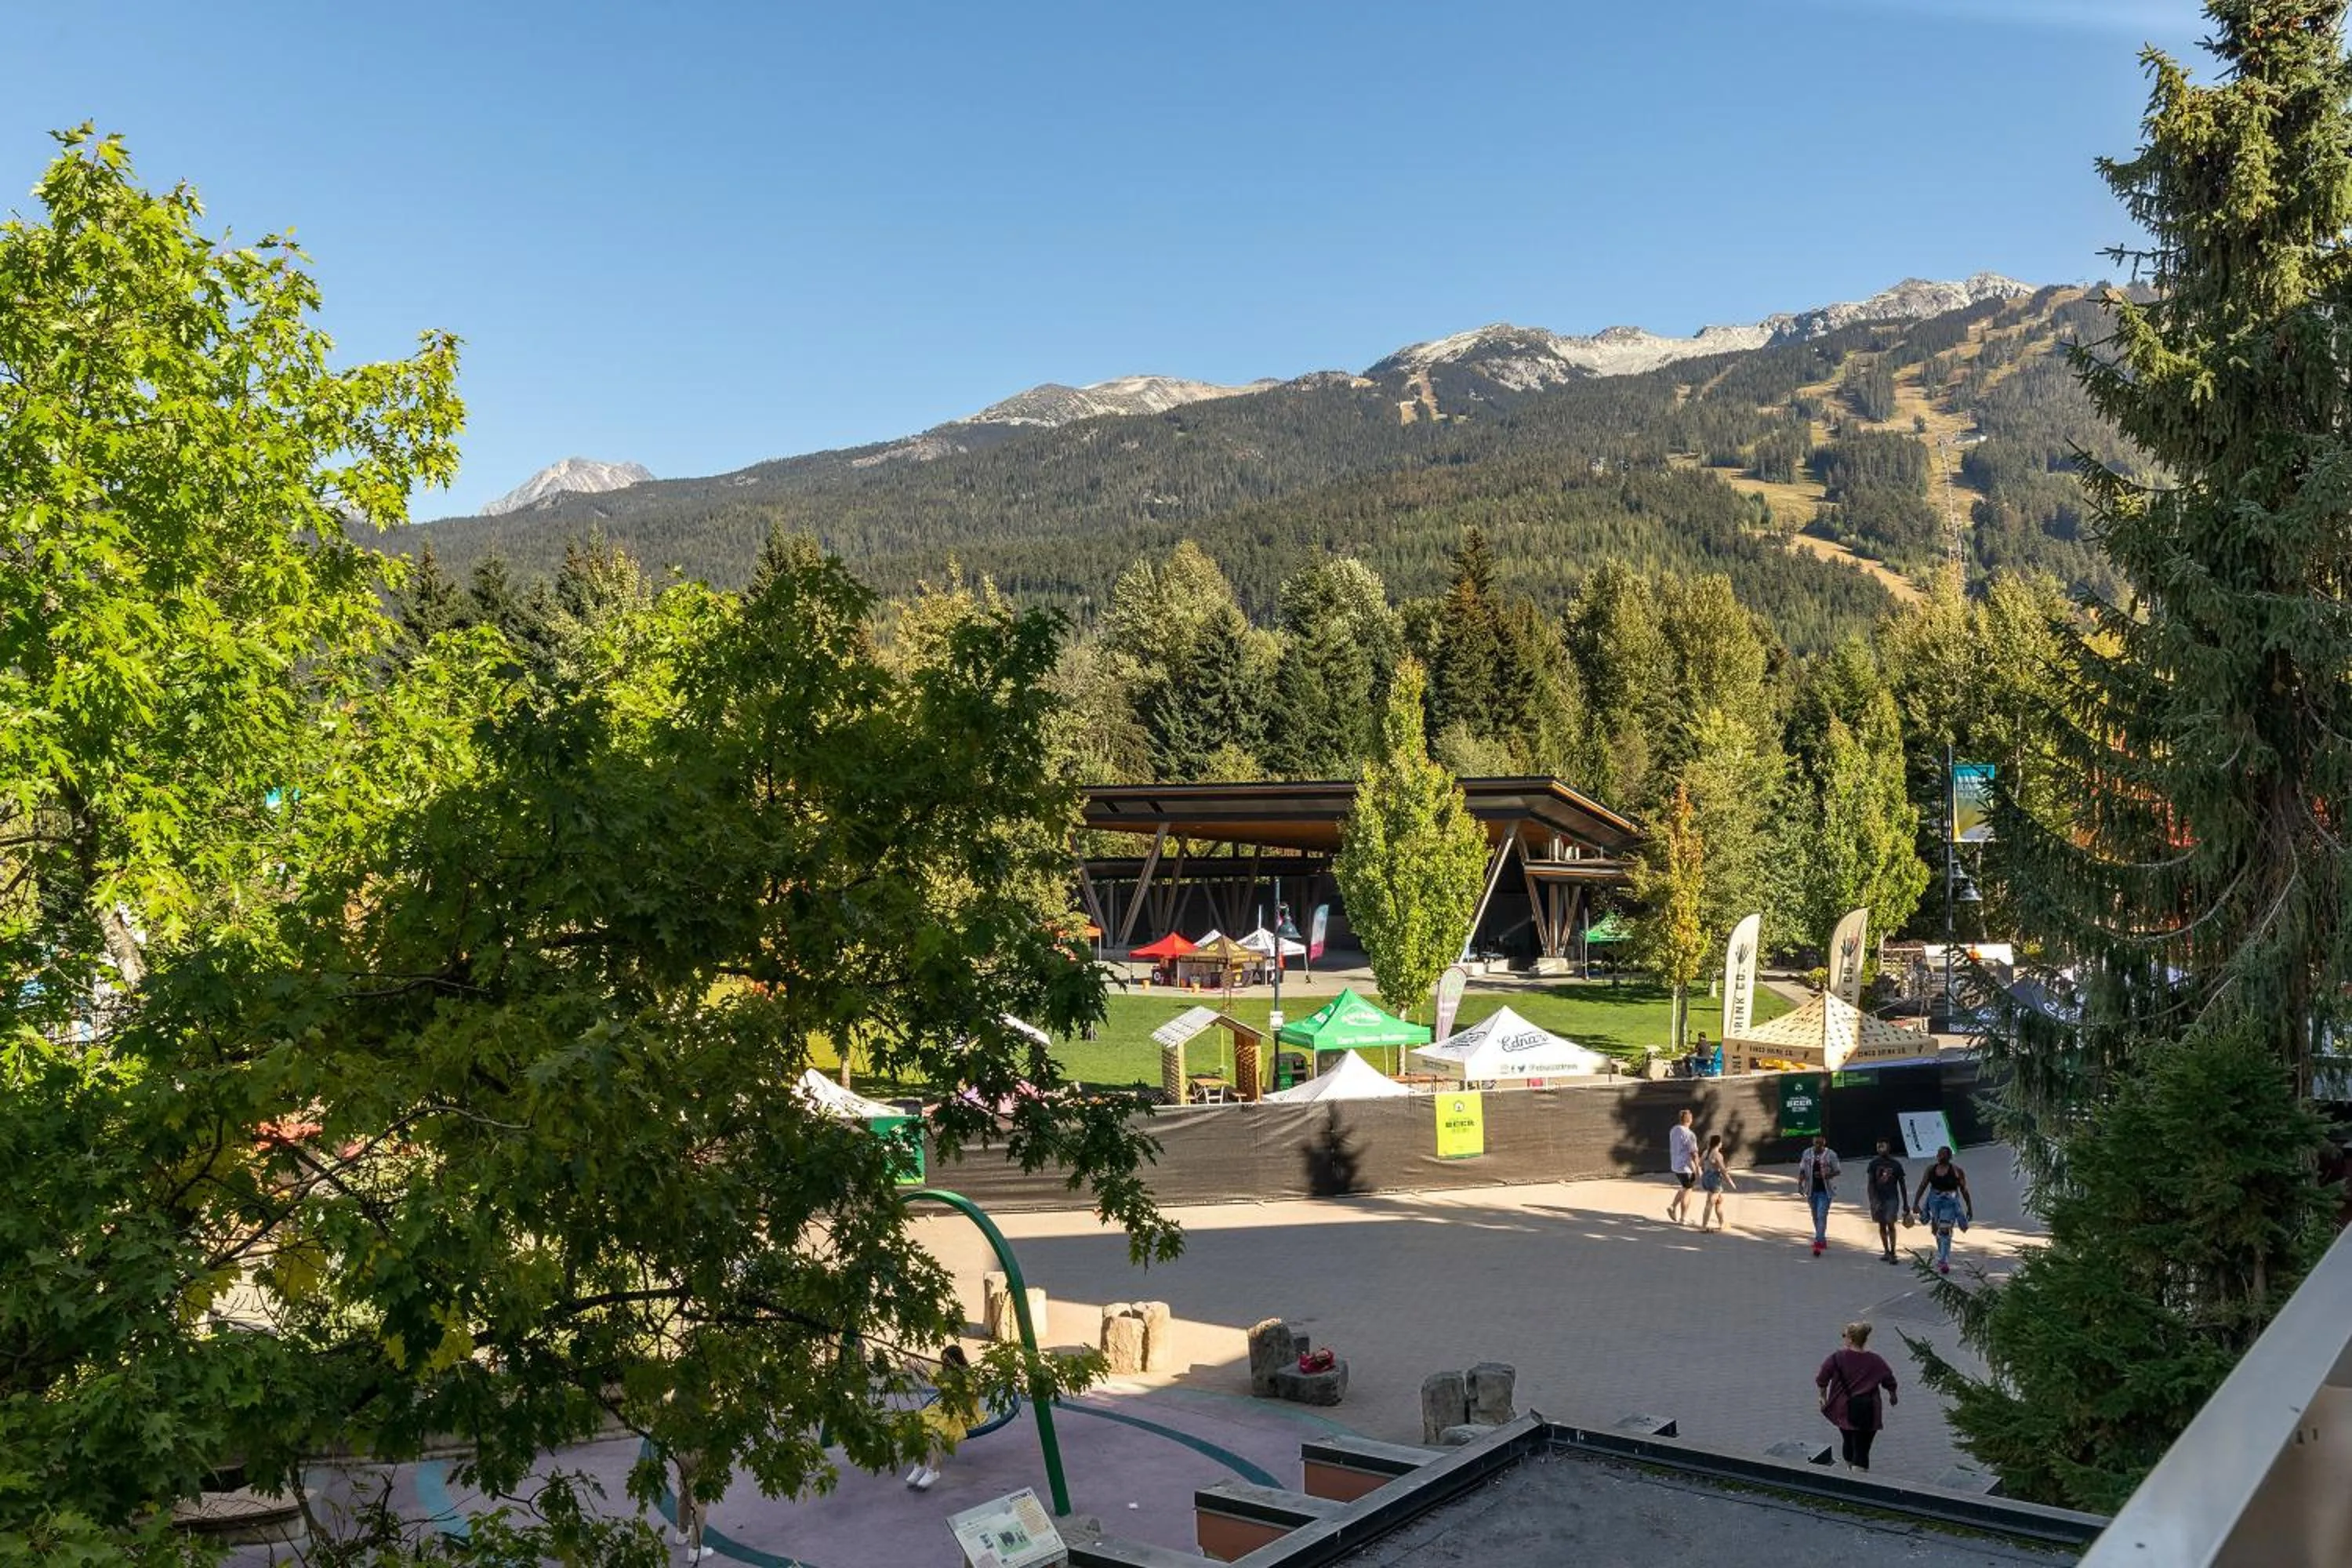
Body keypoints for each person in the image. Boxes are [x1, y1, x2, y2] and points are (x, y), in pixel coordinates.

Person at [1816, 1321, 1899, 1472]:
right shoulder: (1876, 1360)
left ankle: (1849, 1473)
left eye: (1844, 1335)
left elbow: (1822, 1378)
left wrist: (1823, 1397)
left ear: (1850, 1339)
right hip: (1869, 1411)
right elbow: (1889, 1380)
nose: (1843, 1338)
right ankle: (1859, 1479)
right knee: (1862, 1448)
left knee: (1848, 1440)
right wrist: (1892, 1395)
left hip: (1844, 1410)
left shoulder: (1836, 1358)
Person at [907, 1344, 977, 1492]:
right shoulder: (945, 1372)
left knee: (936, 1432)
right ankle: (919, 1464)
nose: (945, 1365)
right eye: (944, 1361)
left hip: (960, 1411)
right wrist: (915, 1368)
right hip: (943, 1407)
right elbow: (931, 1377)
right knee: (919, 1424)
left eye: (948, 1362)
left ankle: (933, 1470)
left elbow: (969, 1396)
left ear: (957, 1361)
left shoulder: (966, 1376)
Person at [1911, 1146, 1974, 1275]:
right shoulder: (1931, 1170)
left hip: (1949, 1203)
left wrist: (1969, 1207)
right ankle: (1942, 1253)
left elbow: (1964, 1190)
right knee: (1936, 1230)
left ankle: (1943, 1260)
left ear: (1949, 1157)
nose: (1940, 1156)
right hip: (1934, 1201)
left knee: (1945, 1230)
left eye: (1943, 1154)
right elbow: (1923, 1185)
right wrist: (1916, 1202)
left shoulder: (1957, 1171)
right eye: (1939, 1154)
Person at [1863, 1138, 1910, 1265]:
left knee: (1890, 1222)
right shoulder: (1873, 1164)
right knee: (1882, 1224)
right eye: (1878, 1147)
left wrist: (1906, 1203)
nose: (1880, 1149)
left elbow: (1902, 1185)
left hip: (1892, 1198)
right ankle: (1886, 1251)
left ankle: (1893, 1252)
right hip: (1879, 1199)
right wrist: (1873, 1200)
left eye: (1882, 1146)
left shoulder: (1896, 1164)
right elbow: (1870, 1183)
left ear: (1889, 1147)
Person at [1796, 1134, 1841, 1256]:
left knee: (1822, 1215)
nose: (1818, 1145)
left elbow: (1837, 1171)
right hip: (1811, 1190)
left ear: (1824, 1143)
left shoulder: (1831, 1155)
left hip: (1826, 1190)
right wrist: (1800, 1184)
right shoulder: (1807, 1153)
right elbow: (1802, 1170)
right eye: (1816, 1143)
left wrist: (1825, 1176)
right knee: (1815, 1216)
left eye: (1820, 1143)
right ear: (1813, 1142)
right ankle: (1821, 1238)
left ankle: (1818, 1241)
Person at [1667, 1109, 1700, 1224]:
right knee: (1688, 1191)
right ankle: (1683, 1218)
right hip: (1685, 1167)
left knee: (1685, 1187)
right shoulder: (1690, 1134)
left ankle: (1672, 1206)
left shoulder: (1674, 1130)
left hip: (1675, 1165)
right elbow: (1694, 1153)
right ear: (1690, 1120)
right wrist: (1698, 1168)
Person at [1697, 1132, 1734, 1232]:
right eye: (1721, 1142)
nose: (1722, 1143)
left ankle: (1722, 1223)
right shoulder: (1718, 1155)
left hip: (1706, 1178)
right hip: (1714, 1180)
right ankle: (1704, 1226)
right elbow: (1722, 1170)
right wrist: (1730, 1181)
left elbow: (1700, 1164)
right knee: (1710, 1203)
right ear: (1718, 1143)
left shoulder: (1706, 1152)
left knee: (1719, 1201)